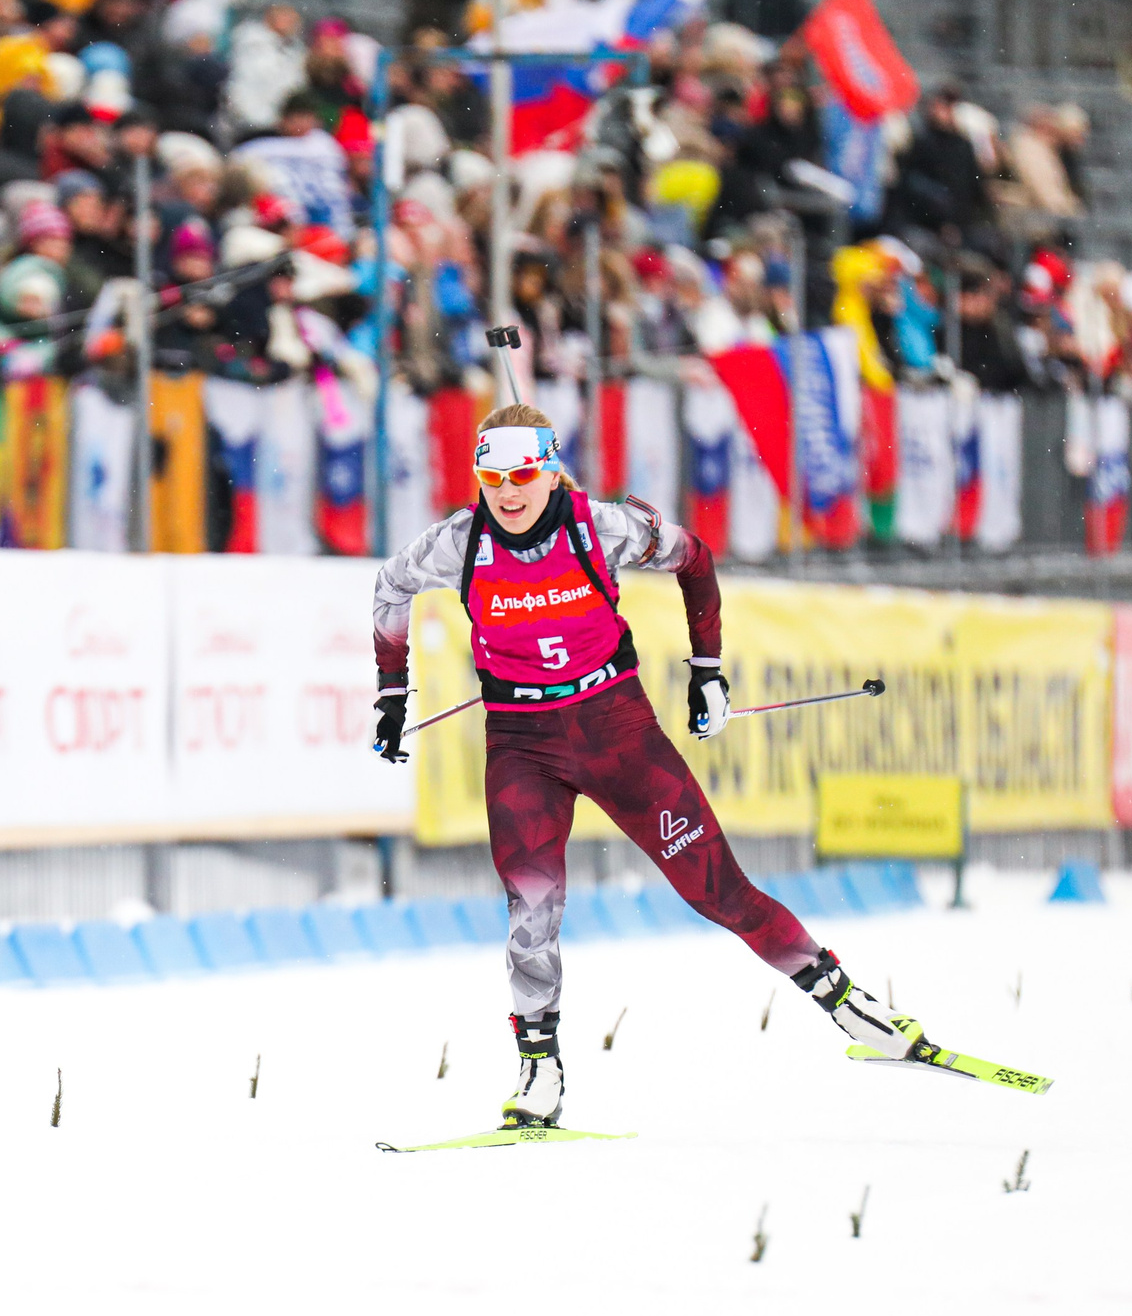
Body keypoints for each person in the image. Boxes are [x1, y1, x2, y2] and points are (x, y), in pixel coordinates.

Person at [366, 404, 922, 1128]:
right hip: (521, 742)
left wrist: (708, 671)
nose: (508, 492)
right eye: (492, 476)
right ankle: (540, 1070)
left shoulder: (600, 526)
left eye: (524, 474)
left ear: (551, 468)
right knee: (532, 908)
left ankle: (850, 1005)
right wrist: (390, 693)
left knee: (718, 889)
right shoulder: (459, 541)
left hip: (615, 729)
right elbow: (389, 586)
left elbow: (694, 558)